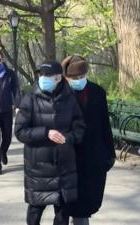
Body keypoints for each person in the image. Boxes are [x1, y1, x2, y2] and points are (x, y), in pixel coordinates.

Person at [14, 60, 85, 225]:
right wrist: (46, 133)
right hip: (38, 168)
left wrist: (70, 138)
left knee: (62, 214)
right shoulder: (29, 98)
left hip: (64, 166)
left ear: (59, 78)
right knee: (35, 210)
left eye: (48, 75)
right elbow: (20, 132)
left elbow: (80, 127)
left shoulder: (70, 98)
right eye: (41, 74)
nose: (43, 78)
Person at [61, 55, 116, 225]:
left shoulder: (97, 92)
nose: (79, 80)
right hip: (68, 157)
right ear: (66, 78)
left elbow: (104, 125)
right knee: (67, 206)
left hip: (92, 155)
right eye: (74, 78)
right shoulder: (59, 95)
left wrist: (109, 153)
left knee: (86, 202)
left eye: (82, 77)